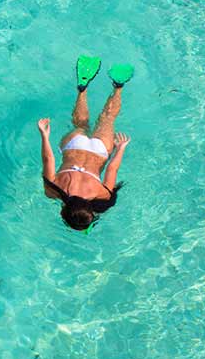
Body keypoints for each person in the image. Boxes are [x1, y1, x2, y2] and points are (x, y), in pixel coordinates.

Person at [38, 55, 134, 232]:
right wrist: (44, 135)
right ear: (64, 211)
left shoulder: (103, 196)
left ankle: (118, 85)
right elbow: (47, 159)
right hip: (74, 145)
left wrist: (121, 148)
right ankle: (82, 88)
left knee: (108, 117)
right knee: (80, 125)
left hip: (100, 151)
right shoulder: (53, 190)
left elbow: (112, 169)